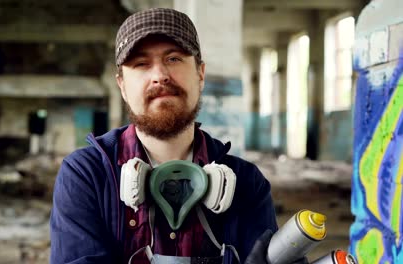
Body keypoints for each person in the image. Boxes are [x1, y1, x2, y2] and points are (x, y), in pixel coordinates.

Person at [50, 7, 289, 264]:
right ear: (121, 84)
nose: (160, 76)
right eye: (141, 63)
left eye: (174, 59)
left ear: (200, 74)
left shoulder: (247, 182)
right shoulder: (87, 175)